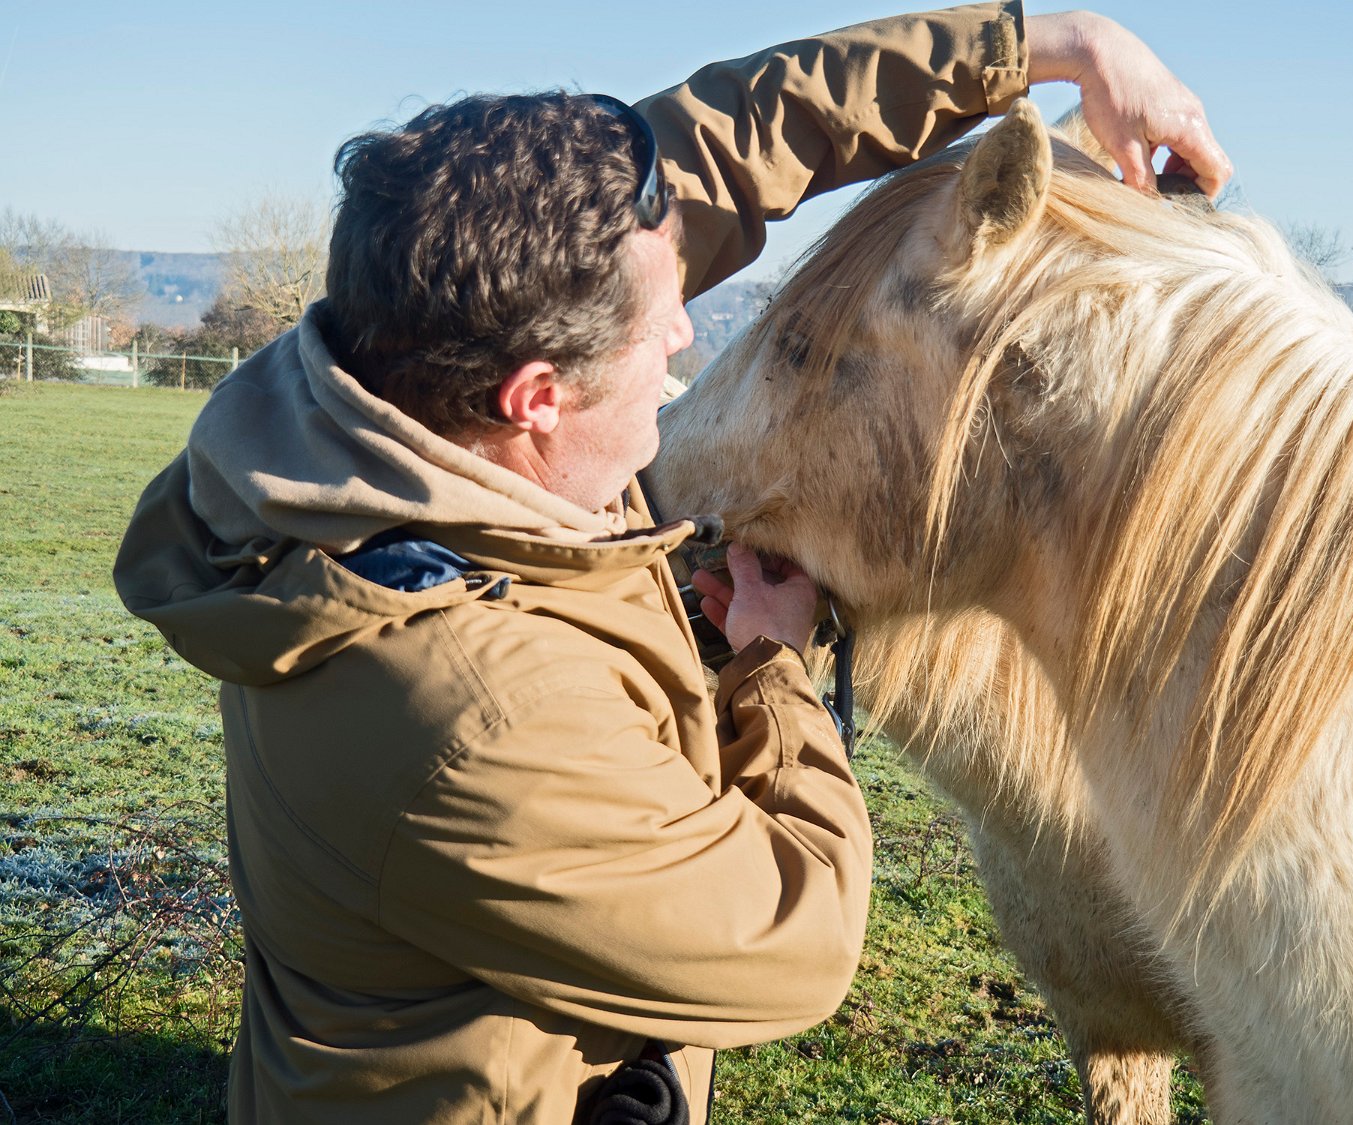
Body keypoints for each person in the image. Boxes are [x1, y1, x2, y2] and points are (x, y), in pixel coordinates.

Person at [114, 5, 1228, 1122]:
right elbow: (791, 938)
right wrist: (773, 671)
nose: (687, 336)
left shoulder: (385, 363)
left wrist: (1050, 46)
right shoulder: (480, 722)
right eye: (661, 325)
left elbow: (732, 140)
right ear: (537, 398)